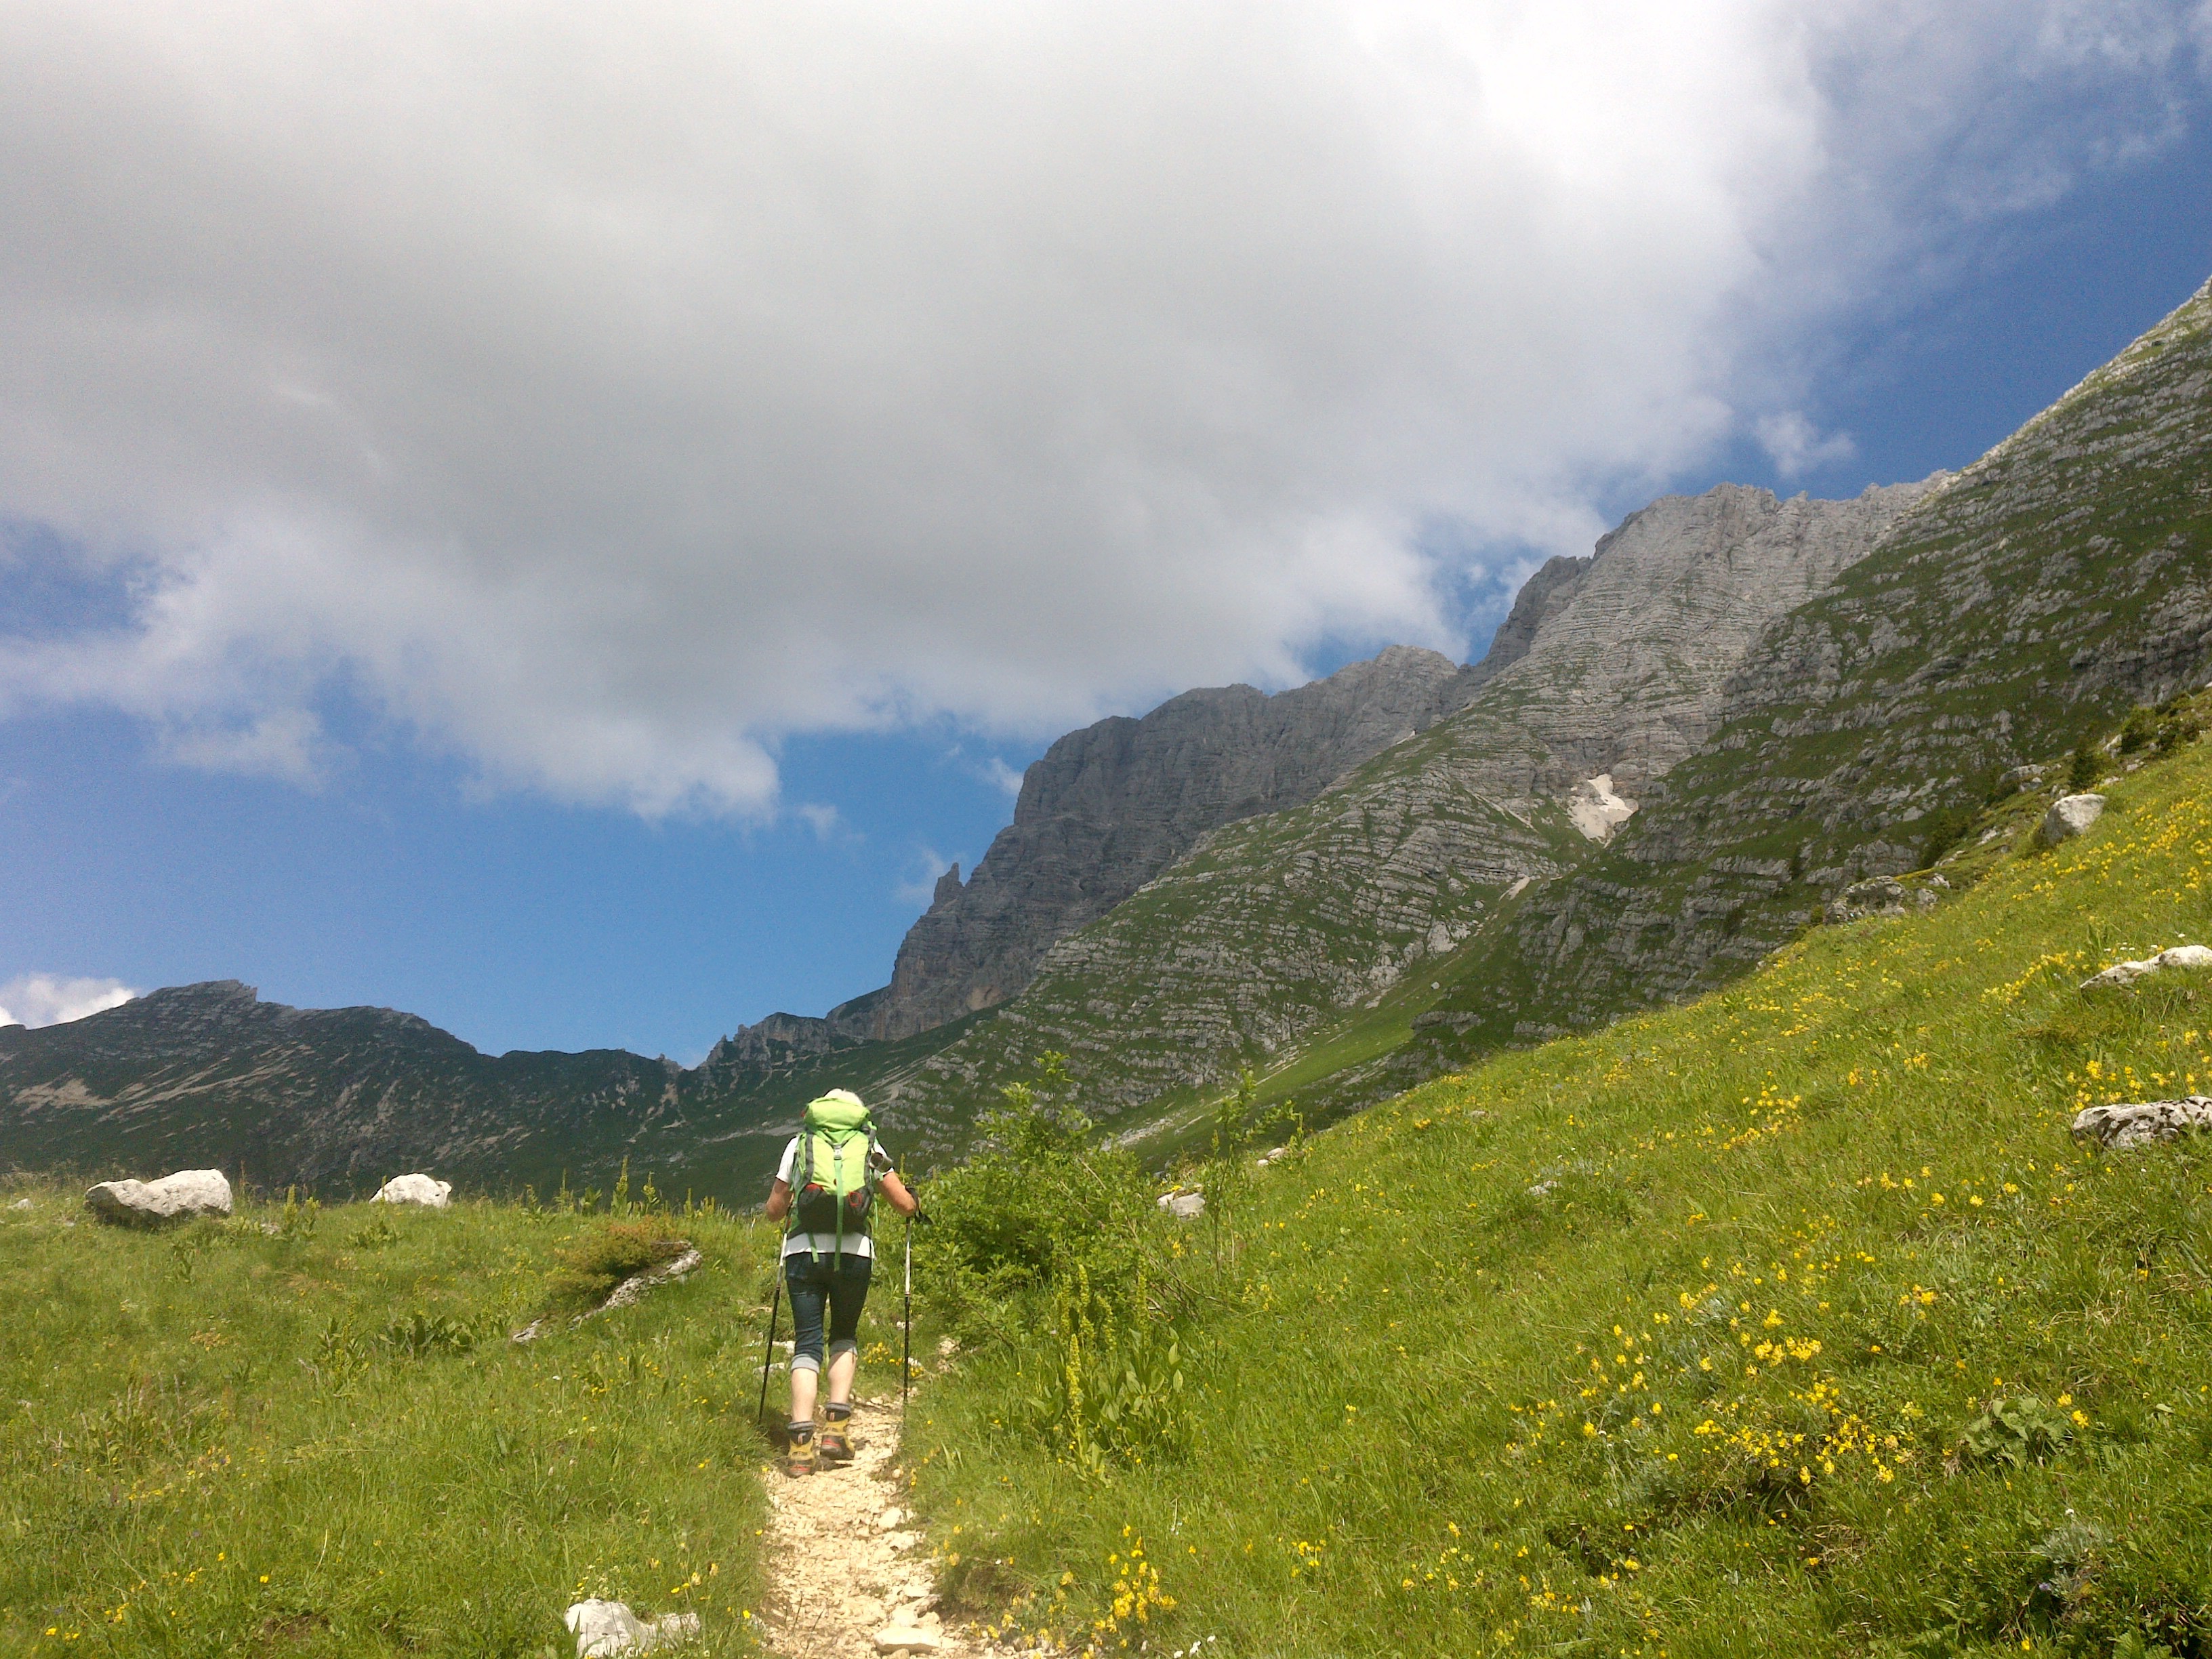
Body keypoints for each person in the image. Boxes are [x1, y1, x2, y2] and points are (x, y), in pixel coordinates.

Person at [764, 1088, 919, 1475]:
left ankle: (800, 1446)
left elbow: (774, 1211)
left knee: (807, 1342)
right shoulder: (869, 1145)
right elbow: (904, 1205)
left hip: (803, 1253)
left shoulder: (799, 1145)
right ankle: (835, 1432)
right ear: (856, 1113)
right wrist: (914, 1201)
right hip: (854, 1255)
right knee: (844, 1335)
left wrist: (791, 1202)